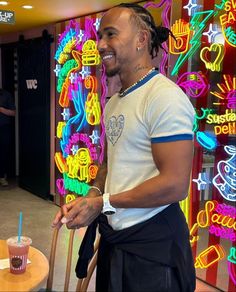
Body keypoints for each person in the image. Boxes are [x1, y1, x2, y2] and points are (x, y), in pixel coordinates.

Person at [52, 3, 196, 291]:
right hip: (115, 239)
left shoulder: (164, 97)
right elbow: (111, 161)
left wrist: (102, 203)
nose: (101, 44)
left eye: (110, 34)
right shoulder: (115, 101)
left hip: (153, 249)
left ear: (142, 39)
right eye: (99, 36)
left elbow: (175, 185)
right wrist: (92, 195)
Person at [0, 88, 16, 187]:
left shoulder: (6, 94)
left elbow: (13, 113)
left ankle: (2, 177)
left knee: (3, 153)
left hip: (3, 128)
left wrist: (1, 109)